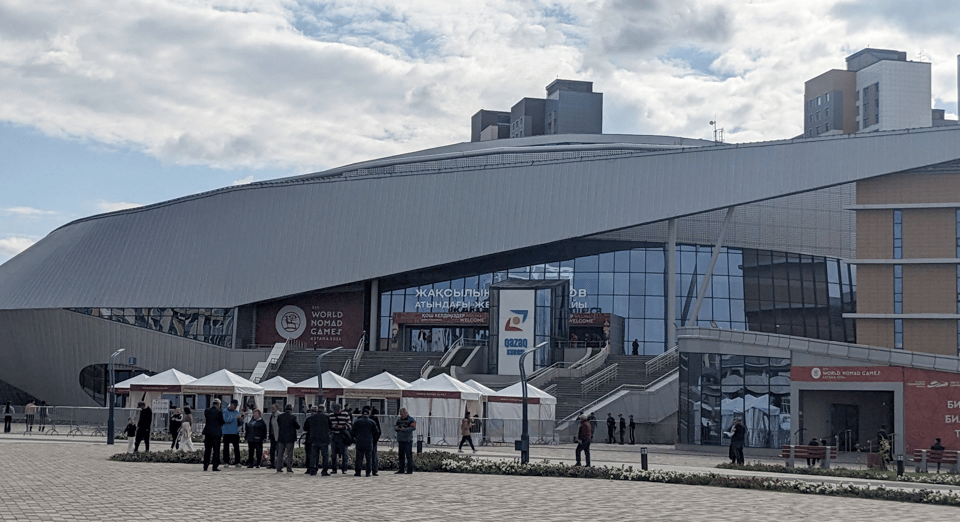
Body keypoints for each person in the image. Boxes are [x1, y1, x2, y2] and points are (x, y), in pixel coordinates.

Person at [302, 405, 331, 476]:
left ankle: (313, 469)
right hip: (324, 439)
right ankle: (324, 470)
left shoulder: (311, 418)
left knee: (314, 455)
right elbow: (330, 427)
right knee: (325, 456)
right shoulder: (326, 417)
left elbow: (305, 428)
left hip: (314, 439)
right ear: (323, 410)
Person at [351, 406, 378, 476]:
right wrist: (373, 440)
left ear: (362, 414)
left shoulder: (357, 422)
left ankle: (358, 472)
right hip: (369, 442)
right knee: (369, 458)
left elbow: (352, 432)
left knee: (359, 458)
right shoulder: (372, 422)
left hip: (359, 442)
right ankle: (368, 473)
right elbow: (376, 433)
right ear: (368, 414)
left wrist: (355, 439)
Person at [275, 403, 299, 473]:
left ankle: (279, 467)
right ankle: (289, 468)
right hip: (290, 438)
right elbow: (297, 426)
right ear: (291, 410)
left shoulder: (280, 417)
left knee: (280, 453)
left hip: (281, 437)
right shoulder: (293, 417)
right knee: (289, 454)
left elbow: (279, 424)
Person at [202, 399, 225, 471]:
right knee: (216, 450)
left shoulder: (207, 411)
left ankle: (205, 465)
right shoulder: (219, 412)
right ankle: (215, 466)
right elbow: (222, 422)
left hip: (208, 432)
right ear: (218, 404)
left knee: (207, 450)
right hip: (216, 433)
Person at [329, 403, 352, 474]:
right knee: (333, 453)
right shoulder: (331, 415)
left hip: (343, 436)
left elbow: (349, 424)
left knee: (344, 453)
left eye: (337, 410)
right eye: (335, 410)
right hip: (334, 435)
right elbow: (329, 425)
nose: (336, 412)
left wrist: (343, 427)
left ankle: (344, 468)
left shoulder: (345, 414)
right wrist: (332, 427)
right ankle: (334, 469)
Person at [394, 407, 417, 474]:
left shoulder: (411, 419)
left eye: (403, 414)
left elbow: (414, 427)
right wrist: (397, 428)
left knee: (408, 456)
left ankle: (409, 470)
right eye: (401, 414)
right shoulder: (399, 420)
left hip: (407, 440)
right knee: (401, 455)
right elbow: (395, 426)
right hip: (400, 440)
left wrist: (404, 430)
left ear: (406, 413)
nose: (402, 415)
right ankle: (401, 469)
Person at [221, 399, 242, 468]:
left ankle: (237, 462)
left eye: (236, 406)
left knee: (236, 448)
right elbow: (226, 420)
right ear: (231, 405)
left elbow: (240, 424)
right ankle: (226, 462)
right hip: (227, 432)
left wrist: (241, 420)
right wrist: (234, 417)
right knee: (226, 448)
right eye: (234, 406)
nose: (235, 407)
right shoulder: (224, 411)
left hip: (235, 432)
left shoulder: (236, 412)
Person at [268, 404, 280, 468]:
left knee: (278, 450)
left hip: (278, 436)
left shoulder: (279, 415)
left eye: (273, 407)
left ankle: (278, 464)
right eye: (271, 407)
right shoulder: (272, 416)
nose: (272, 409)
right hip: (272, 436)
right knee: (272, 451)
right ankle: (272, 463)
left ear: (277, 408)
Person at [370, 408, 382, 476]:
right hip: (373, 440)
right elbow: (379, 431)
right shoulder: (375, 419)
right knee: (374, 455)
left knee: (361, 455)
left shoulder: (359, 419)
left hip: (364, 441)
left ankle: (358, 471)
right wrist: (375, 439)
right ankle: (374, 470)